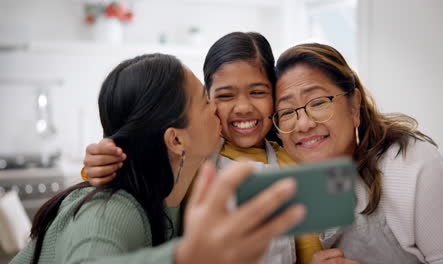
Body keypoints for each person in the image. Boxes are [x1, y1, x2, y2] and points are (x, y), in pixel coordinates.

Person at [11, 53, 305, 264]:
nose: (219, 110)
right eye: (207, 101)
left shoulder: (178, 188)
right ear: (176, 140)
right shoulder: (112, 210)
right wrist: (189, 256)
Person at [82, 32, 322, 264]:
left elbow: (307, 243)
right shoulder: (195, 154)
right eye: (226, 96)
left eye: (258, 92)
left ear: (275, 95)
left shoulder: (290, 163)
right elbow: (142, 167)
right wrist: (101, 163)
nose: (243, 108)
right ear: (208, 99)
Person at [272, 43, 443, 263]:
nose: (304, 124)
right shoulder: (285, 188)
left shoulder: (413, 166)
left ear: (354, 106)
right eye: (287, 112)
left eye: (318, 103)